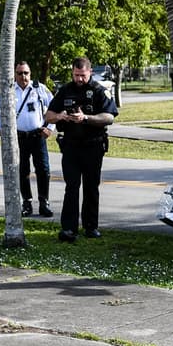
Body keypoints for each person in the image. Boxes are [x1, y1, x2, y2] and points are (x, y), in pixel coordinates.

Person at [45, 57, 118, 242]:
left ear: (90, 72)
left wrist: (85, 118)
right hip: (71, 146)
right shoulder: (65, 90)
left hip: (93, 145)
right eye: (76, 75)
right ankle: (69, 228)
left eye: (82, 76)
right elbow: (48, 115)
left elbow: (109, 117)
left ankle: (91, 227)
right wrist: (60, 116)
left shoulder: (99, 91)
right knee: (71, 187)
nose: (79, 79)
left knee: (91, 187)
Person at [0, 61, 54, 217]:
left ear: (30, 73)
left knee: (43, 170)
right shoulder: (9, 90)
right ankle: (27, 203)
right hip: (19, 138)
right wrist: (0, 129)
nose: (23, 76)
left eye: (26, 73)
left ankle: (44, 202)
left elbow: (54, 108)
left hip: (37, 135)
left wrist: (50, 128)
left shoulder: (39, 89)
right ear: (15, 74)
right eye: (19, 73)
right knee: (23, 171)